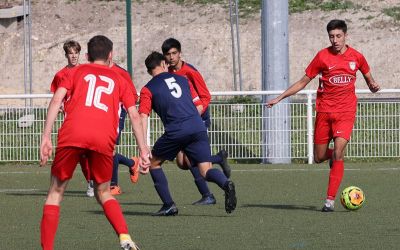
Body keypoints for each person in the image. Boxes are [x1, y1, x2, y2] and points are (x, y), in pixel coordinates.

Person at [39, 35, 150, 250]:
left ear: (87, 56)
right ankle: (125, 237)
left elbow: (55, 101)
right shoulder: (120, 78)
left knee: (55, 193)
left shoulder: (75, 72)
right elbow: (135, 116)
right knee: (104, 192)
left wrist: (46, 136)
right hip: (102, 139)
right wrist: (143, 150)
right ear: (111, 56)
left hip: (73, 134)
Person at [266, 19, 380, 212]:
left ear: (345, 36)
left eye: (338, 36)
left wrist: (373, 86)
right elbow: (303, 81)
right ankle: (334, 160)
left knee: (338, 151)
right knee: (319, 157)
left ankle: (329, 200)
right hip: (325, 112)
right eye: (331, 36)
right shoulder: (322, 57)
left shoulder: (357, 57)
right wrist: (280, 97)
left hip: (346, 112)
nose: (335, 40)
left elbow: (370, 80)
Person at [138, 51, 237, 216]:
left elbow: (143, 116)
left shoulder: (147, 89)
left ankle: (169, 205)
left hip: (176, 130)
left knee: (154, 163)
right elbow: (198, 105)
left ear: (149, 71)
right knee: (205, 170)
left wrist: (144, 145)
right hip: (197, 126)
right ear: (164, 64)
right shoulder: (183, 80)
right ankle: (226, 184)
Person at [161, 38, 231, 205]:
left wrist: (195, 114)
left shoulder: (190, 71)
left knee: (190, 159)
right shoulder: (168, 73)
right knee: (182, 162)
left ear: (180, 53)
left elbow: (205, 96)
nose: (171, 57)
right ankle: (217, 159)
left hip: (197, 119)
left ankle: (207, 195)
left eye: (174, 53)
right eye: (168, 54)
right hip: (183, 120)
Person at [49, 40, 95, 198]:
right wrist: (61, 104)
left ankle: (101, 180)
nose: (74, 56)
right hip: (71, 119)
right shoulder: (60, 75)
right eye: (71, 53)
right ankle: (91, 181)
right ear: (66, 55)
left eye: (76, 53)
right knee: (79, 153)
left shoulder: (86, 71)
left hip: (88, 116)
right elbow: (56, 95)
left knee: (93, 150)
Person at [109, 61, 141, 195]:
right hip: (101, 114)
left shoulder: (121, 73)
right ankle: (132, 163)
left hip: (116, 113)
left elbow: (134, 96)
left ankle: (113, 186)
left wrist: (121, 103)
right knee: (104, 149)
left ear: (109, 54)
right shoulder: (94, 70)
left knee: (110, 149)